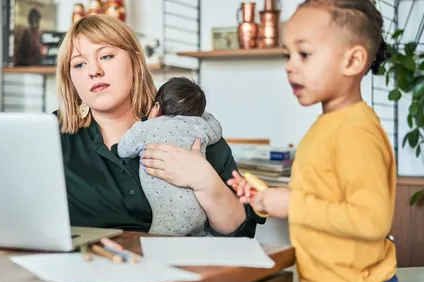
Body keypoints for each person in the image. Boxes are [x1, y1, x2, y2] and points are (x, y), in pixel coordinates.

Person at [227, 0, 399, 282]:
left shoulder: (355, 131)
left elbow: (371, 219)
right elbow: (324, 197)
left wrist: (292, 204)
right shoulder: (330, 123)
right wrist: (270, 198)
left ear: (353, 60)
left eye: (304, 54)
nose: (290, 66)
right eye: (286, 55)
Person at [53, 14, 266, 240]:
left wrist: (204, 179)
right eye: (79, 64)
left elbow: (240, 231)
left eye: (106, 56)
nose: (93, 71)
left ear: (135, 62)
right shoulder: (51, 135)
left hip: (179, 268)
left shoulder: (188, 123)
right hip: (88, 266)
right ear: (70, 78)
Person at [117, 77, 223, 236]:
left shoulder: (149, 126)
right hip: (200, 211)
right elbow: (217, 129)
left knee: (157, 242)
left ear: (156, 107)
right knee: (199, 236)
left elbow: (123, 150)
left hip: (169, 212)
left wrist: (144, 123)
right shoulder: (200, 125)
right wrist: (198, 113)